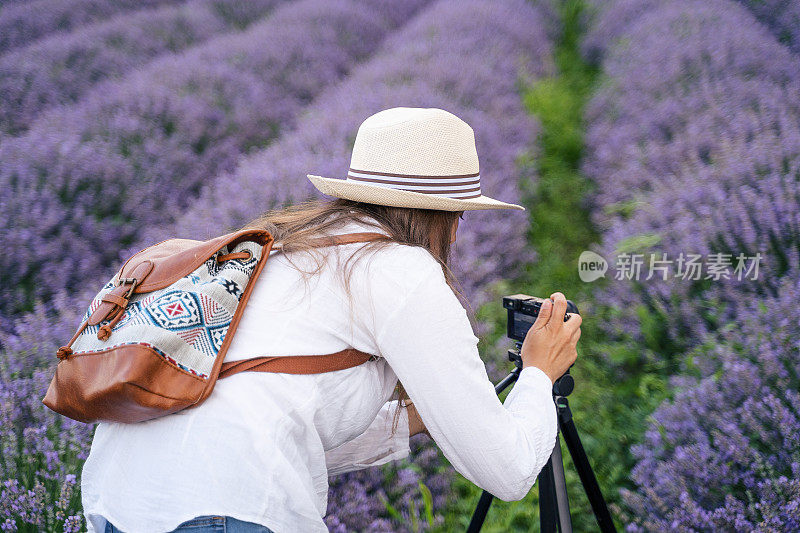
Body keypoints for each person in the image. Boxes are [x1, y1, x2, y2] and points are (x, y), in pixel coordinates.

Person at [80, 107, 581, 532]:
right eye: (460, 220)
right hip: (226, 510)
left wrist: (426, 415)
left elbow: (279, 417)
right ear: (446, 217)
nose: (454, 240)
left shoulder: (286, 245)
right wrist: (539, 372)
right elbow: (509, 471)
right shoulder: (403, 270)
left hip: (116, 500)